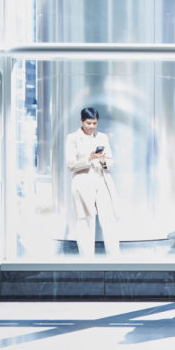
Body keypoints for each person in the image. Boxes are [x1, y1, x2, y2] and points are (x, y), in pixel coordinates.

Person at [66, 107, 121, 256]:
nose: (91, 126)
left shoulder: (102, 137)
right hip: (83, 182)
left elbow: (111, 161)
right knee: (85, 221)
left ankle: (114, 258)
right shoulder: (73, 138)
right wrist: (88, 159)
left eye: (94, 123)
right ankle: (86, 260)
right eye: (88, 123)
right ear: (81, 121)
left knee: (109, 219)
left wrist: (103, 161)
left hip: (102, 181)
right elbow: (70, 164)